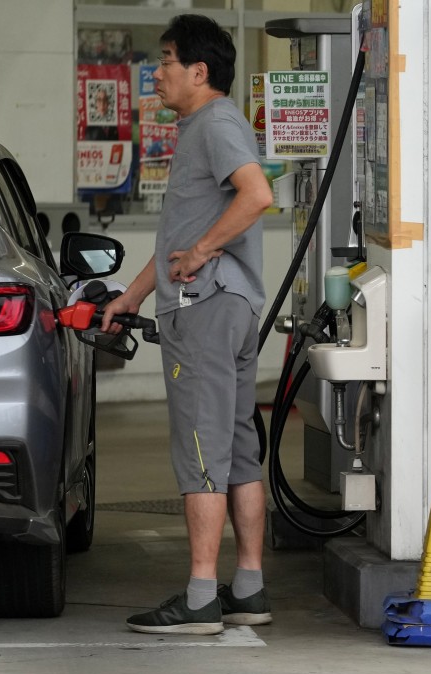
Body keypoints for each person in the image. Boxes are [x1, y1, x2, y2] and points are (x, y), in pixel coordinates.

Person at [101, 14, 273, 634]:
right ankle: (248, 588)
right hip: (228, 306)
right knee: (238, 453)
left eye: (167, 60)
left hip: (205, 310)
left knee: (200, 451)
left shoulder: (215, 123)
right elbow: (178, 239)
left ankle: (202, 596)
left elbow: (256, 196)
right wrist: (132, 295)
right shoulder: (208, 126)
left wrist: (200, 255)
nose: (159, 74)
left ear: (199, 71)